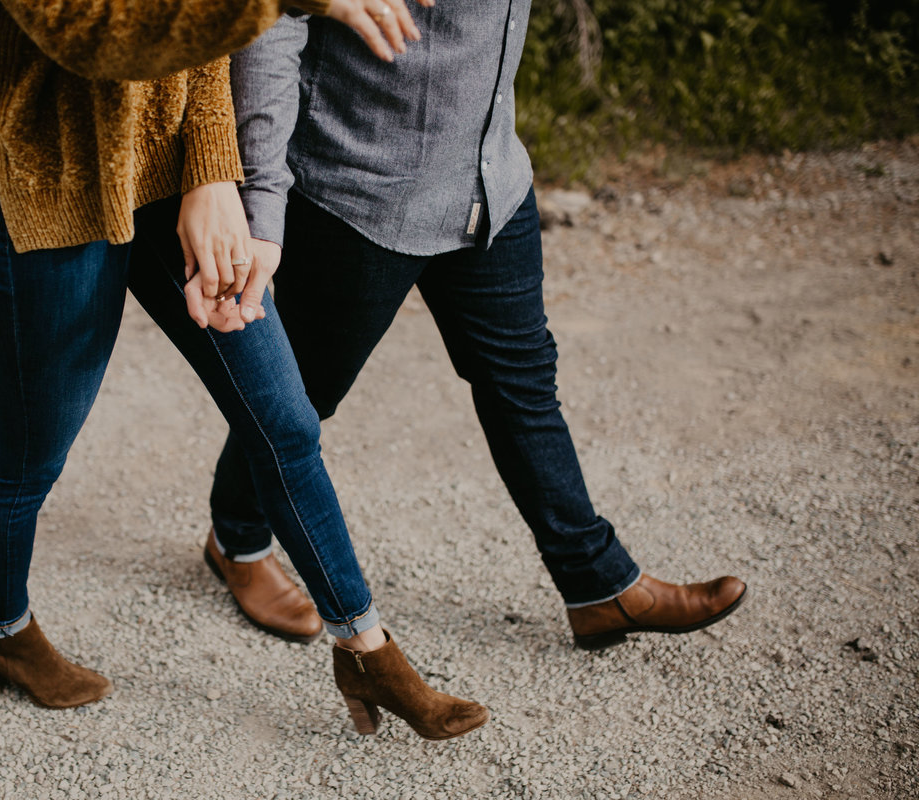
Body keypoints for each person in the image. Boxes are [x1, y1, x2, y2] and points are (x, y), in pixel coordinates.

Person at [0, 0, 490, 740]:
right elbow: (86, 30)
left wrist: (211, 172)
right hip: (45, 173)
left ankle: (366, 649)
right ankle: (2, 629)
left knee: (285, 419)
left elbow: (201, 33)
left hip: (170, 163)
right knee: (29, 452)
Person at [203, 5, 747, 651]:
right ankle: (237, 539)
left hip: (490, 182)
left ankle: (597, 585)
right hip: (360, 192)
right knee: (303, 396)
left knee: (524, 383)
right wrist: (262, 198)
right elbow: (276, 18)